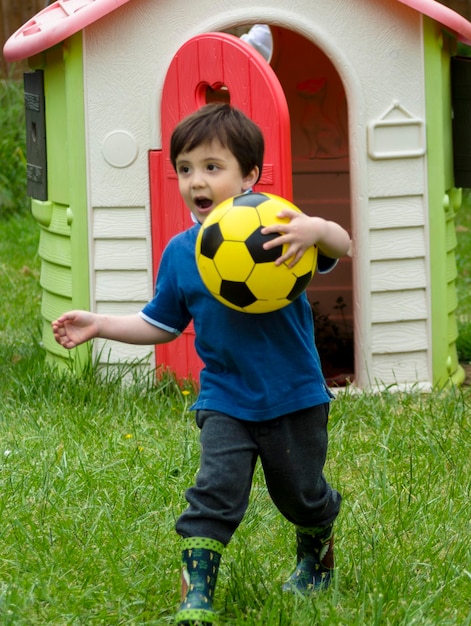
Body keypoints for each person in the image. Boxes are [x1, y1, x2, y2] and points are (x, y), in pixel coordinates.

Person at [52, 103, 351, 625]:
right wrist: (100, 324)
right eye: (185, 169)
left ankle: (316, 547)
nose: (196, 181)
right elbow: (160, 324)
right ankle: (198, 596)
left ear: (249, 176)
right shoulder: (181, 252)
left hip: (295, 395)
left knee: (300, 494)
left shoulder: (283, 228)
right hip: (225, 399)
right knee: (214, 490)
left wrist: (315, 228)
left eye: (213, 167)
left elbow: (341, 245)